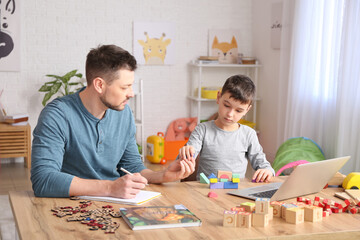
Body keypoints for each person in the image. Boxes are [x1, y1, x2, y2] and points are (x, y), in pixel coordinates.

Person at [31, 45, 195, 198]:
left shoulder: (124, 114)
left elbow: (132, 167)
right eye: (125, 87)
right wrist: (110, 188)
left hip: (115, 203)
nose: (131, 94)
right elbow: (43, 180)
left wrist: (163, 175)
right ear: (99, 85)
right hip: (69, 205)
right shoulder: (57, 115)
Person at [178, 75, 274, 182]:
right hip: (205, 191)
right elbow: (187, 157)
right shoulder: (202, 130)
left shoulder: (249, 134)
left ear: (247, 110)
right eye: (227, 105)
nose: (230, 114)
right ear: (218, 97)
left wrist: (267, 170)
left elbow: (262, 163)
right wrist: (186, 154)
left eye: (238, 111)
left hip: (234, 192)